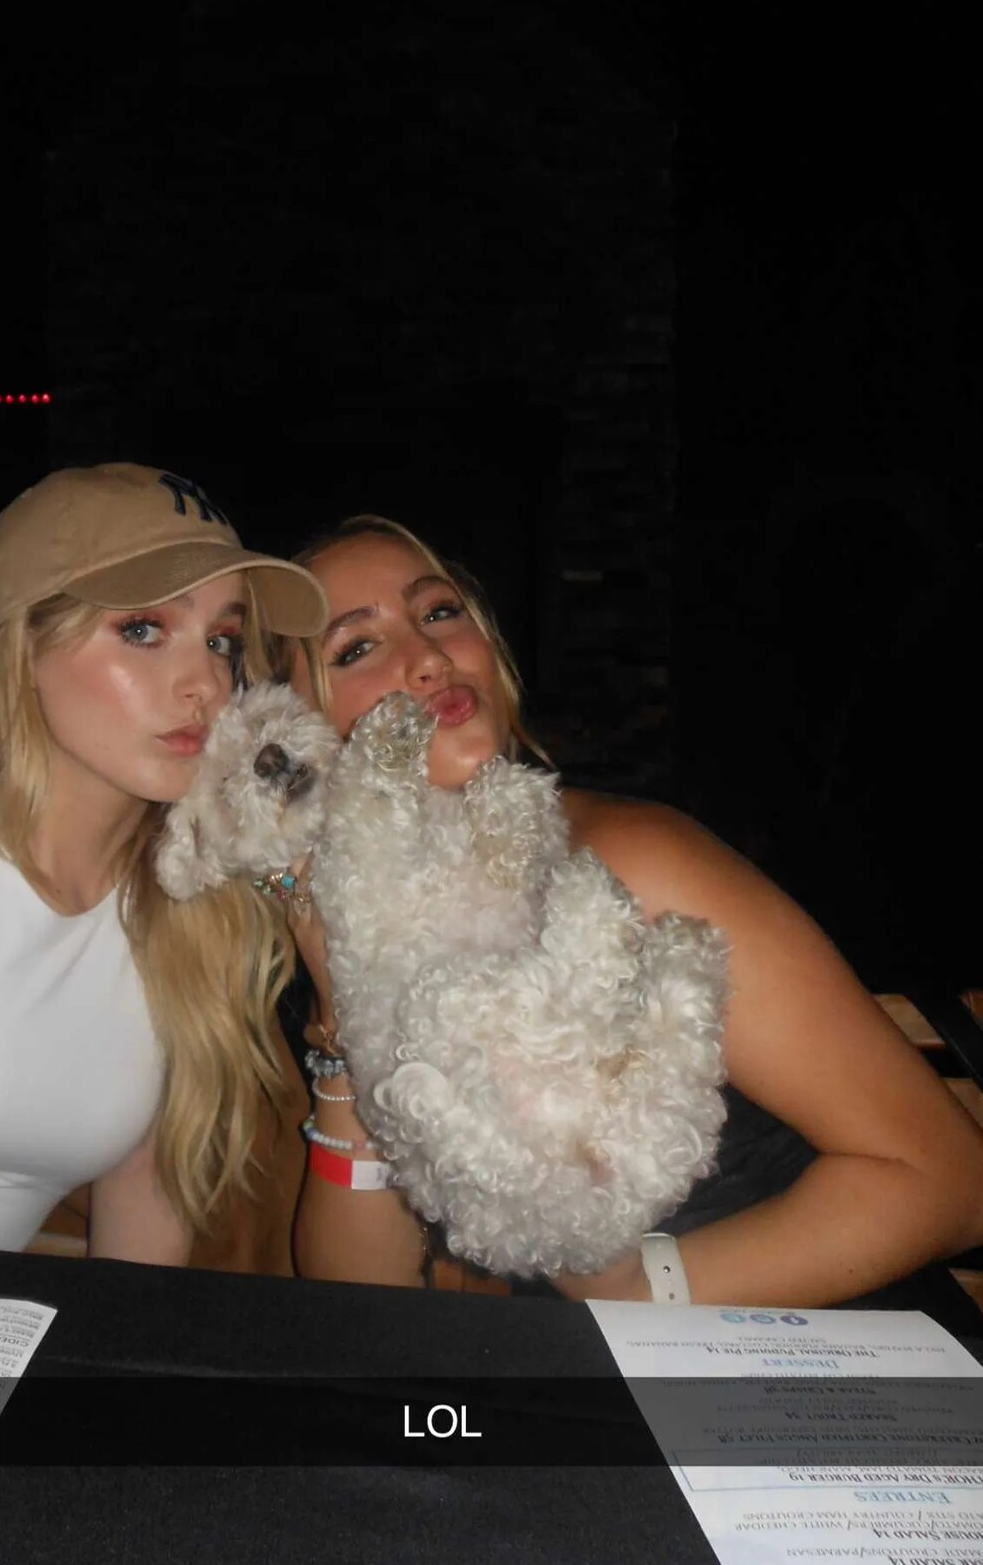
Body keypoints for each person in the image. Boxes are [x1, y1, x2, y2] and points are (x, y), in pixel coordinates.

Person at [271, 514, 983, 1319]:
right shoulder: (371, 937)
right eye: (356, 648)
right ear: (293, 738)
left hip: (828, 1350)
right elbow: (364, 1307)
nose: (429, 657)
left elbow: (946, 1179)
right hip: (611, 1373)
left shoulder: (635, 859)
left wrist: (644, 1293)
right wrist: (345, 1028)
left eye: (438, 611)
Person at [0, 462, 327, 1299]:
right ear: (24, 649)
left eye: (221, 641)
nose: (205, 683)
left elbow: (138, 1255)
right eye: (142, 629)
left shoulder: (192, 924)